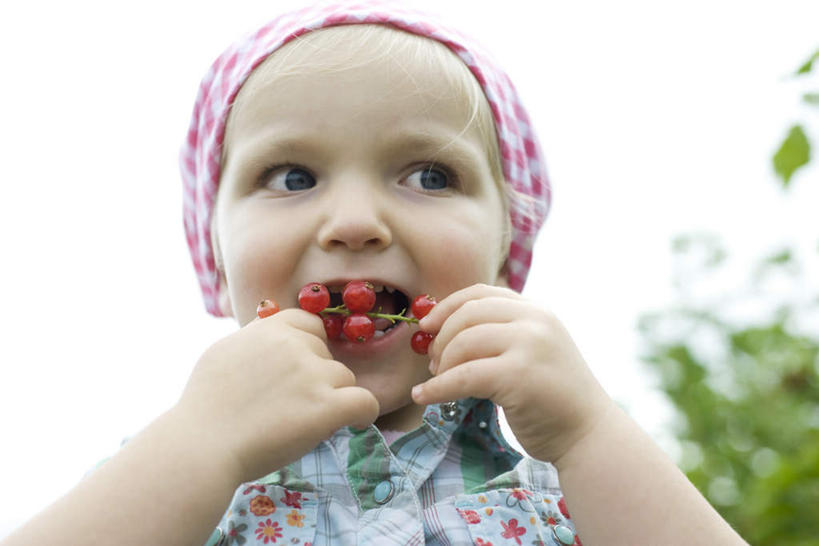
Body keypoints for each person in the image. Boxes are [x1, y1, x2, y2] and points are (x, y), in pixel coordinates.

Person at [2, 2, 748, 545]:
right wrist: (199, 443)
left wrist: (588, 435)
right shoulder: (172, 484)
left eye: (428, 175)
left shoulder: (579, 494)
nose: (354, 221)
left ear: (505, 247)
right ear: (213, 244)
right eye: (292, 177)